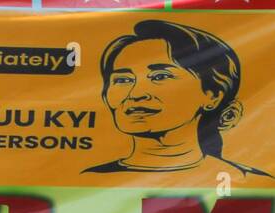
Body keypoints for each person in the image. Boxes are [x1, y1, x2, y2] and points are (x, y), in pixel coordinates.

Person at [85, 19, 269, 178]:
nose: (136, 94)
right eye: (123, 80)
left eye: (160, 77)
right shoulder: (87, 182)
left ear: (212, 96)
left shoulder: (248, 181)